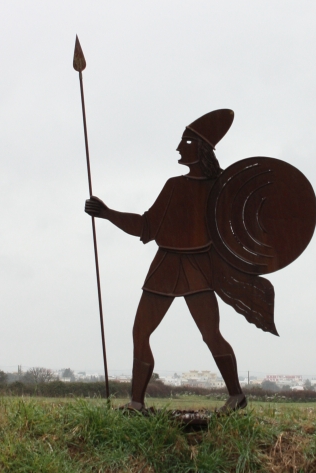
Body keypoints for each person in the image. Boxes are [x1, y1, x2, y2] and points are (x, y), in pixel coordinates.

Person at [84, 109, 247, 413]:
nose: (178, 147)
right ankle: (137, 401)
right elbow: (147, 227)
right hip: (170, 266)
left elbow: (233, 233)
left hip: (195, 268)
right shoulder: (183, 186)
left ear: (200, 148)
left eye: (185, 141)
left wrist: (107, 214)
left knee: (207, 334)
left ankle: (236, 395)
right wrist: (107, 213)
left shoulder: (214, 189)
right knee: (147, 332)